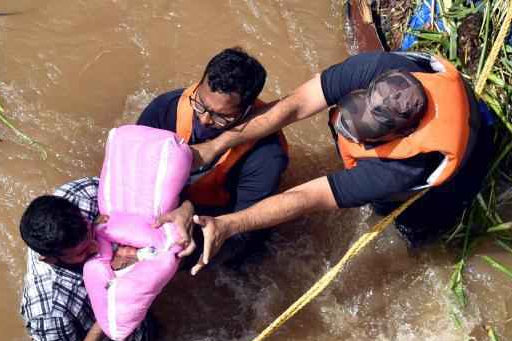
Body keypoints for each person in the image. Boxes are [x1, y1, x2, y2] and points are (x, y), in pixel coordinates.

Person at [184, 51, 494, 273]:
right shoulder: (377, 66)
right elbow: (296, 105)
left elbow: (307, 198)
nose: (345, 132)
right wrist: (216, 145)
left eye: (359, 136)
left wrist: (227, 224)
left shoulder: (401, 169)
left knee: (413, 230)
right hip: (446, 104)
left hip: (457, 173)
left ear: (394, 137)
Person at [137, 46, 289, 264]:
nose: (205, 120)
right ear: (199, 87)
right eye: (201, 105)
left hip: (223, 216)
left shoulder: (266, 157)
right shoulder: (165, 109)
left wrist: (190, 212)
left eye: (221, 117)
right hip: (174, 204)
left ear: (247, 111)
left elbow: (240, 225)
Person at [19, 177, 156, 341]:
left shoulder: (83, 196)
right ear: (50, 260)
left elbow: (138, 195)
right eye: (82, 252)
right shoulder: (49, 310)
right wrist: (108, 313)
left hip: (140, 318)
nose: (95, 246)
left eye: (91, 233)